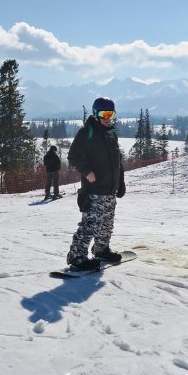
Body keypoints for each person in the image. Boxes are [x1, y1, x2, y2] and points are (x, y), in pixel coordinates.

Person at [66, 97, 126, 270]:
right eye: (105, 114)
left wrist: (120, 183)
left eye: (111, 114)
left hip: (110, 189)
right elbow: (73, 156)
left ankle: (101, 250)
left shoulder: (111, 133)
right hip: (94, 189)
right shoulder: (87, 132)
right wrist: (87, 172)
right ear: (96, 114)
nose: (108, 118)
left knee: (107, 222)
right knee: (90, 224)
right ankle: (77, 257)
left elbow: (117, 161)